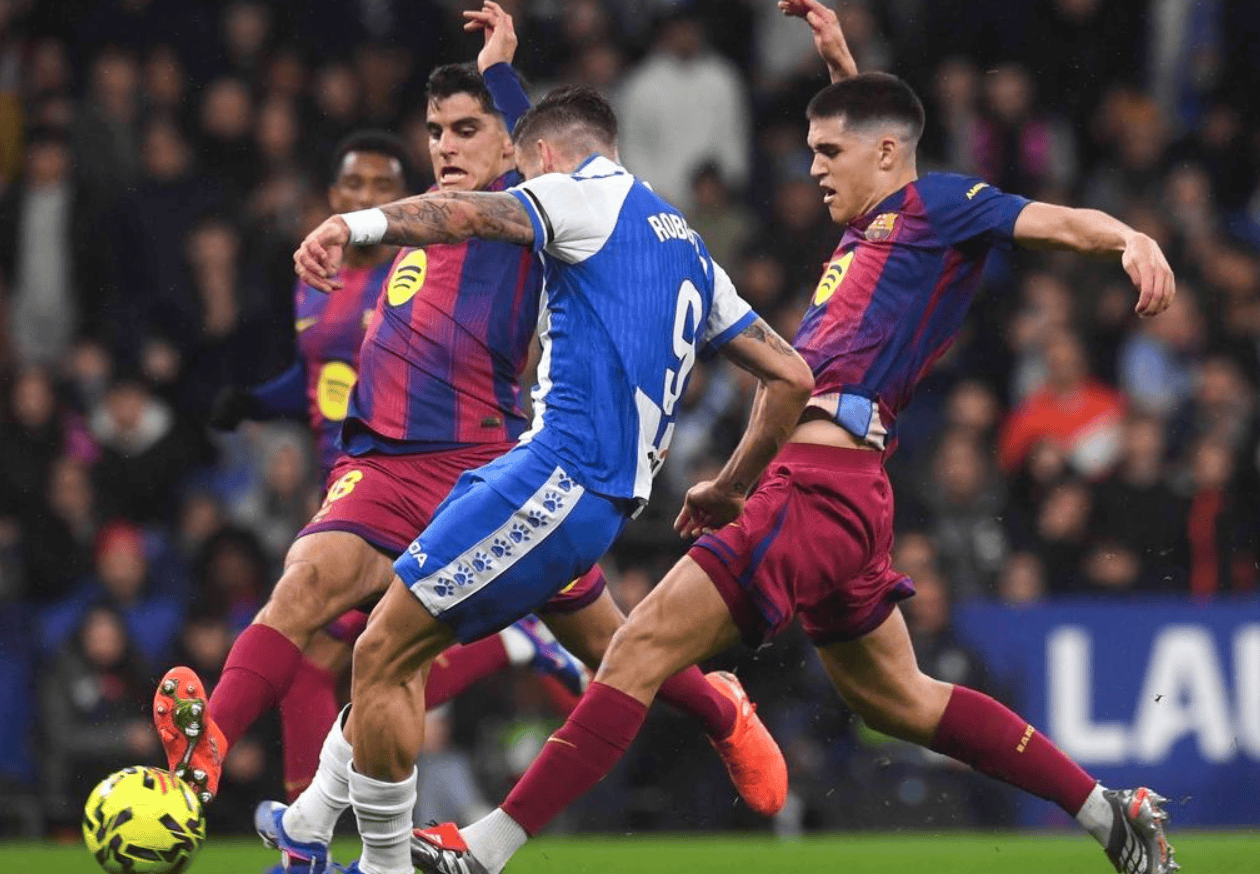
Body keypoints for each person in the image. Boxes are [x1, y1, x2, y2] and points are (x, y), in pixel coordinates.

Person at [407, 4, 1179, 874]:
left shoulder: (942, 205)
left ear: (883, 155)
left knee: (638, 649)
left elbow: (1056, 221)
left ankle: (484, 851)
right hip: (845, 487)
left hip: (814, 480)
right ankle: (1110, 813)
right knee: (899, 698)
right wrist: (842, 65)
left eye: (827, 152)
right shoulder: (874, 222)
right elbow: (563, 157)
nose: (811, 169)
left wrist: (1130, 238)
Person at [158, 8, 792, 873]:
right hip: (385, 466)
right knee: (314, 594)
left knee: (603, 645)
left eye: (467, 129)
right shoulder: (416, 228)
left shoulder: (535, 213)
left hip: (488, 467)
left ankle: (720, 710)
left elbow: (555, 155)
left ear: (517, 150)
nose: (446, 145)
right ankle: (214, 769)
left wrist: (502, 82)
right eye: (435, 131)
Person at [204, 126, 589, 807]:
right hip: (347, 484)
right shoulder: (317, 278)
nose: (366, 197)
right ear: (333, 195)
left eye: (383, 187)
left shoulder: (419, 268)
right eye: (354, 184)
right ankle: (511, 646)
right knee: (362, 663)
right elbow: (325, 378)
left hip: (412, 481)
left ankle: (299, 827)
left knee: (337, 661)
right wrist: (257, 402)